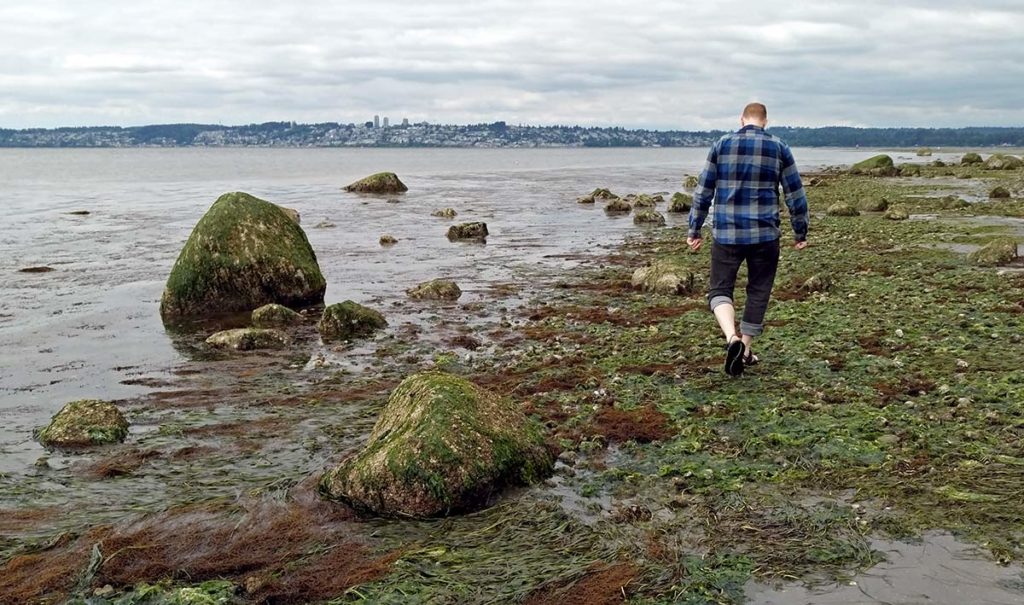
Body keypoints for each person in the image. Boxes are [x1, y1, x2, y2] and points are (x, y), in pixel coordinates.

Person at [686, 102, 809, 376]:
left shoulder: (721, 145)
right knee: (758, 290)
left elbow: (703, 190)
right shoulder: (779, 147)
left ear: (742, 120)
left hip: (726, 233)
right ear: (766, 121)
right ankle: (745, 346)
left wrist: (694, 229)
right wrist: (800, 232)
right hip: (765, 235)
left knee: (719, 290)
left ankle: (731, 338)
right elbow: (795, 195)